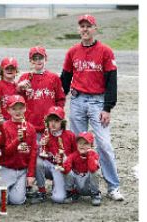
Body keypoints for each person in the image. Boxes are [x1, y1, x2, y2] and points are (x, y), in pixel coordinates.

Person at [60, 14, 124, 201]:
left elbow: (112, 81)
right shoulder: (72, 51)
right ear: (79, 29)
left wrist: (108, 107)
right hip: (78, 101)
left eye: (89, 26)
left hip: (98, 102)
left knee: (104, 145)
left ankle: (113, 186)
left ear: (95, 28)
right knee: (76, 145)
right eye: (82, 26)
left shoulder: (105, 51)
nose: (85, 29)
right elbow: (65, 79)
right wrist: (57, 100)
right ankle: (78, 188)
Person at [17, 46, 65, 143]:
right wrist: (19, 88)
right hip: (31, 124)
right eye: (35, 58)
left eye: (41, 58)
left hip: (50, 125)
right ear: (31, 60)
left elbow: (60, 99)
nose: (38, 61)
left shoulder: (53, 77)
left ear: (46, 58)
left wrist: (57, 118)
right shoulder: (25, 78)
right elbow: (16, 101)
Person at [0, 95, 37, 205]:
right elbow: (6, 152)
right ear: (8, 110)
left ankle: (23, 188)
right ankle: (3, 185)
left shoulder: (31, 128)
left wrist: (31, 174)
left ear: (25, 108)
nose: (18, 111)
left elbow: (33, 153)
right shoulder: (4, 127)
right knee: (1, 201)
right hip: (6, 168)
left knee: (17, 201)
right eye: (14, 108)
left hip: (22, 170)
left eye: (20, 108)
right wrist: (18, 140)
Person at [30, 106, 77, 204]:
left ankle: (69, 189)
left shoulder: (70, 135)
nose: (53, 123)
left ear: (62, 122)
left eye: (56, 120)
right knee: (37, 161)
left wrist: (65, 159)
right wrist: (42, 145)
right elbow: (42, 156)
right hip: (50, 167)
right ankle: (41, 191)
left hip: (62, 169)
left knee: (58, 199)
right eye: (50, 120)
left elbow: (76, 155)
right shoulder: (46, 135)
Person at [62, 132, 102, 206]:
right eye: (80, 143)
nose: (82, 146)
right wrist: (64, 161)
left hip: (88, 186)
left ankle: (95, 194)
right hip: (77, 186)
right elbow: (65, 169)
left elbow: (93, 169)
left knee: (94, 172)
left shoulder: (94, 155)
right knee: (68, 171)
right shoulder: (74, 155)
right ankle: (70, 193)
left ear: (91, 145)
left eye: (86, 143)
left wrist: (90, 155)